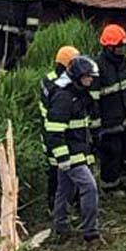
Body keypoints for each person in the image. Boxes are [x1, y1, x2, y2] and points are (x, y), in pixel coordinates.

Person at [46, 54, 101, 241]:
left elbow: (84, 127)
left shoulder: (80, 95)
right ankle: (90, 232)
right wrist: (62, 158)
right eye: (88, 76)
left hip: (77, 151)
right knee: (89, 188)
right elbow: (54, 131)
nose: (91, 80)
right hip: (69, 154)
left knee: (65, 190)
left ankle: (60, 227)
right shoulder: (63, 98)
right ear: (78, 76)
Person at [94, 24, 126, 193]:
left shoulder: (124, 65)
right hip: (110, 121)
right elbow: (94, 99)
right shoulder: (98, 68)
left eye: (124, 46)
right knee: (112, 154)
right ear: (109, 47)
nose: (123, 49)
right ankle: (111, 188)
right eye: (119, 46)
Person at [40, 45, 80, 210]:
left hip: (54, 133)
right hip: (56, 134)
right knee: (57, 172)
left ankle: (62, 206)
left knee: (60, 170)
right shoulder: (58, 86)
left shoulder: (49, 79)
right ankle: (55, 207)